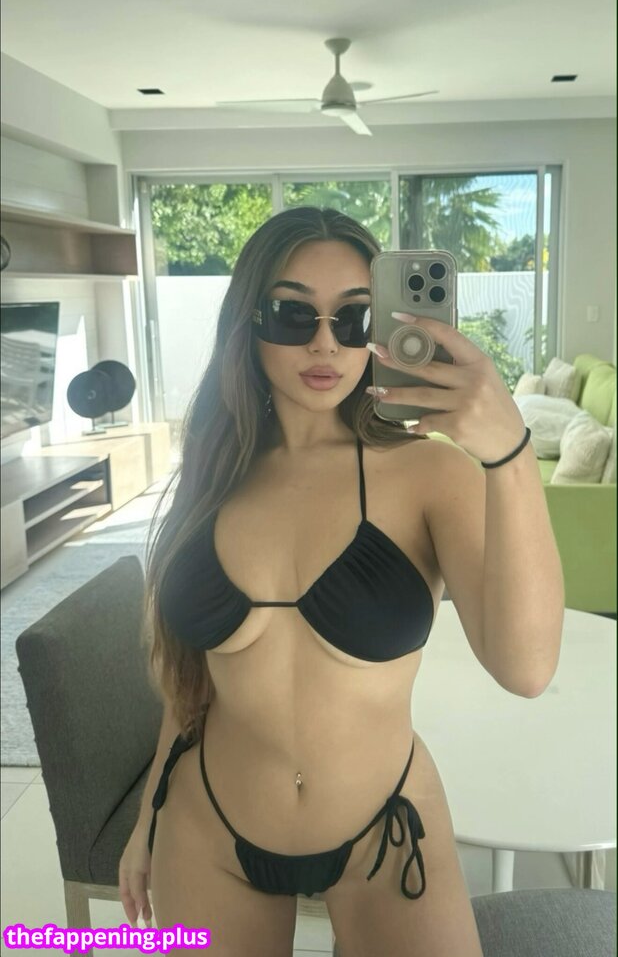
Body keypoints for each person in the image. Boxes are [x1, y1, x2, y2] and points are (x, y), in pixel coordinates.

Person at [119, 207, 564, 957]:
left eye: (355, 319)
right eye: (294, 314)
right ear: (248, 323)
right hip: (206, 825)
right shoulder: (214, 474)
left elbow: (527, 670)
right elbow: (189, 681)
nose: (325, 342)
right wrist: (147, 820)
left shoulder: (429, 473)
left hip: (386, 831)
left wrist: (509, 453)